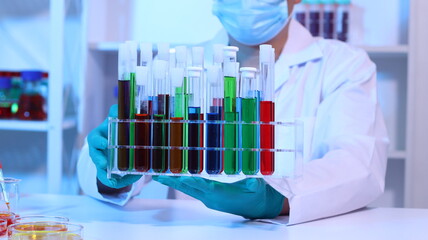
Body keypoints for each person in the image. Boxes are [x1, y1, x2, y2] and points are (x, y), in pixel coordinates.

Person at [78, 0, 388, 224]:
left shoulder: (342, 65)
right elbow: (99, 172)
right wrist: (111, 169)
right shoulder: (177, 67)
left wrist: (277, 198)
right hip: (195, 232)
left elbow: (359, 164)